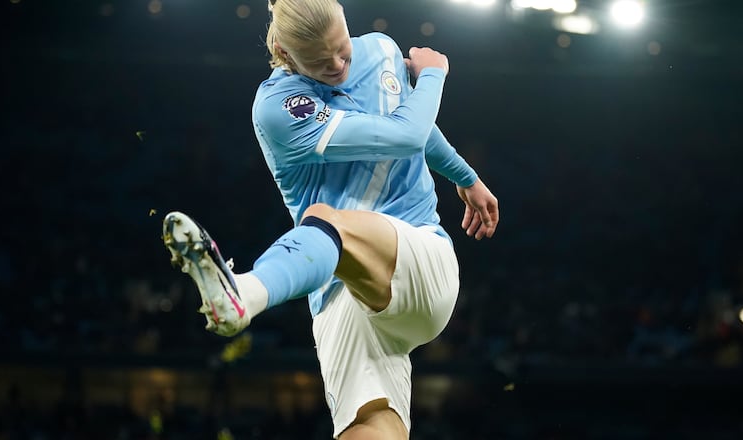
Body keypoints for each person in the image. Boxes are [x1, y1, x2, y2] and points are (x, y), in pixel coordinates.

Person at [162, 0, 499, 438]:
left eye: (343, 49)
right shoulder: (278, 109)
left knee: (328, 219)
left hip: (420, 260)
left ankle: (243, 290)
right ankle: (242, 293)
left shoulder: (379, 50)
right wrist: (433, 74)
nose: (339, 64)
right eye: (322, 62)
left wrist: (465, 176)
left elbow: (413, 126)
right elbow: (402, 133)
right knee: (369, 424)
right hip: (337, 294)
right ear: (285, 54)